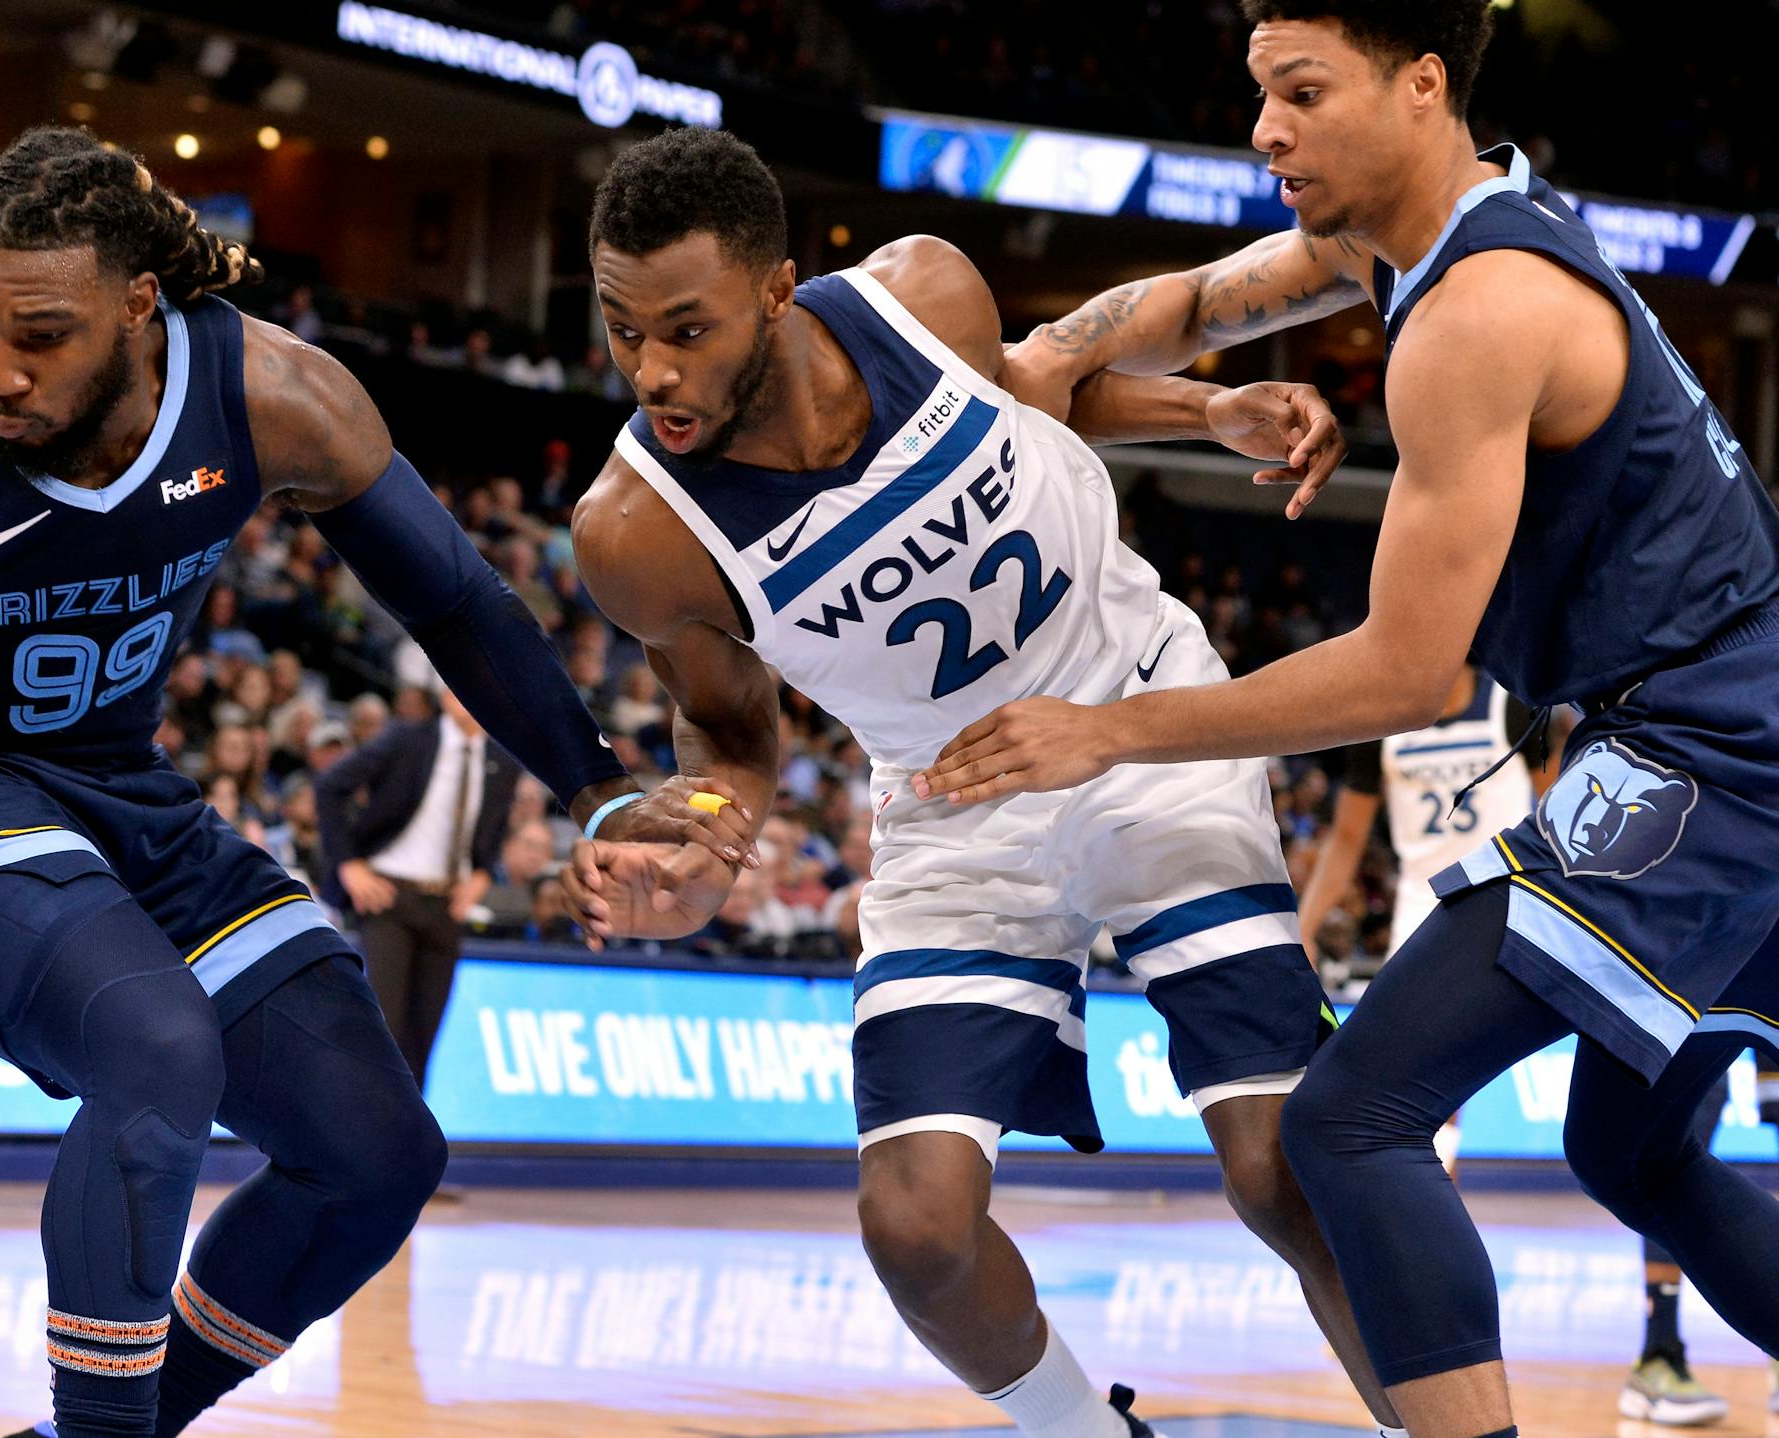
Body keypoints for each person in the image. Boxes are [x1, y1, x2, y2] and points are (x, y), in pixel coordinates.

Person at [0, 126, 753, 1438]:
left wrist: (597, 789)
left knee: (377, 1155)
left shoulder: (276, 395)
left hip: (119, 784)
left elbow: (458, 602)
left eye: (42, 336)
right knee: (156, 1041)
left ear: (139, 305)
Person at [919, 6, 1779, 1436]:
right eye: (1262, 94)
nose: (1267, 130)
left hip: (1711, 748)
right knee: (1636, 1155)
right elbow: (1196, 305)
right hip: (1722, 718)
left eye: (1303, 93)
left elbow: (1406, 677)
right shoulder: (1415, 237)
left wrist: (1109, 729)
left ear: (1422, 84)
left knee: (1349, 1117)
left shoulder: (1476, 314)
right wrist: (1051, 358)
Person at [561, 127, 1394, 1438]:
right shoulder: (636, 531)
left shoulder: (922, 294)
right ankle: (1087, 1429)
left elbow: (1033, 387)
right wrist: (702, 844)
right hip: (955, 805)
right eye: (621, 331)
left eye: (687, 329)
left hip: (1133, 712)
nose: (654, 370)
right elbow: (730, 736)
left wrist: (1204, 408)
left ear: (778, 289)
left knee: (1283, 1170)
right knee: (917, 1227)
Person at [1303, 664, 1733, 1424]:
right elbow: (1345, 838)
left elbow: (1567, 803)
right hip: (1429, 924)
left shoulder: (1518, 698)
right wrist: (1302, 941)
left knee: (1659, 1137)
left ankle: (1661, 1347)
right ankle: (1422, 1351)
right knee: (1397, 1138)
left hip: (1546, 908)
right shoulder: (1383, 702)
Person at [313, 686, 513, 1087]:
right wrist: (350, 865)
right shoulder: (408, 739)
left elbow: (494, 830)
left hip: (447, 908)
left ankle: (404, 1143)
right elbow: (329, 786)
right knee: (382, 1031)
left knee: (423, 1041)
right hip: (389, 899)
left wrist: (482, 874)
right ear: (444, 696)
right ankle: (358, 1134)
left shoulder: (500, 760)